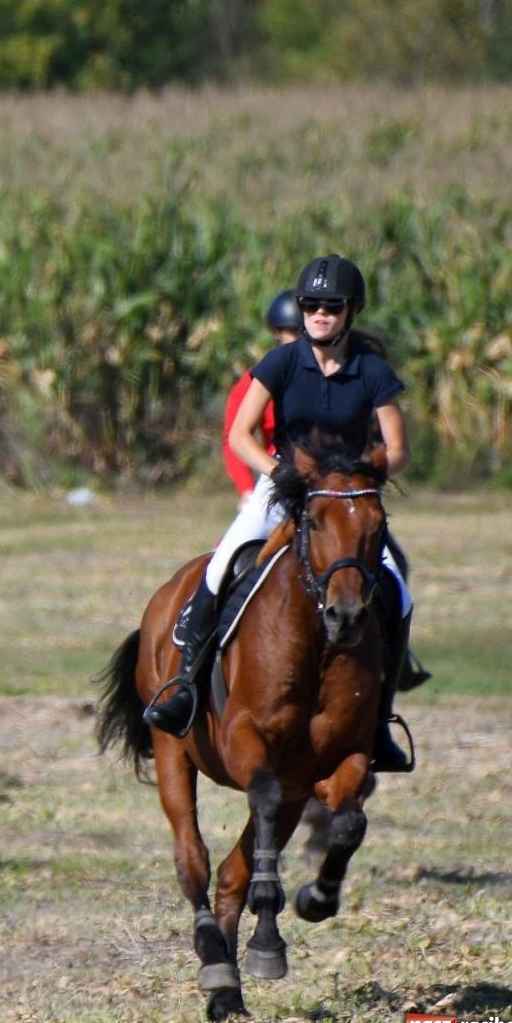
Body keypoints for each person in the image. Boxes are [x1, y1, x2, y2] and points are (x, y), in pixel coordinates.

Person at [144, 255, 416, 773]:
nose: (318, 314)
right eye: (311, 305)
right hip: (285, 491)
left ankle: (378, 722)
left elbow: (398, 449)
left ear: (350, 311)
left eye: (330, 307)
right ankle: (183, 686)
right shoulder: (281, 364)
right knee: (224, 563)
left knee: (398, 592)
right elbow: (240, 434)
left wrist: (359, 474)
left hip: (346, 501)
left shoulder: (373, 371)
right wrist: (279, 473)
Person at [222, 290, 299, 505]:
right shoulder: (254, 381)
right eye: (292, 331)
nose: (299, 338)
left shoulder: (330, 372)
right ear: (277, 332)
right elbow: (234, 438)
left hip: (331, 476)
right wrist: (246, 489)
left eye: (304, 331)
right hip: (278, 474)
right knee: (234, 541)